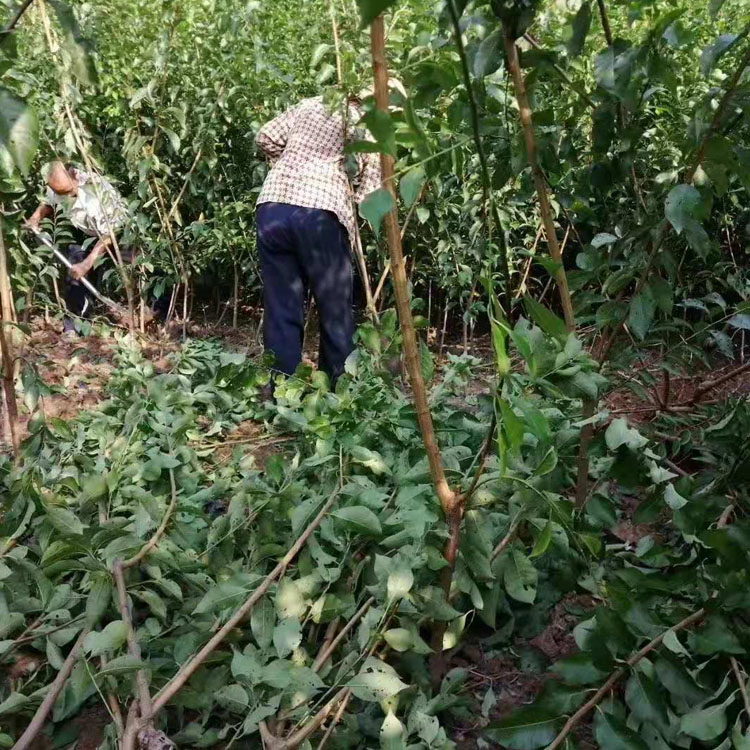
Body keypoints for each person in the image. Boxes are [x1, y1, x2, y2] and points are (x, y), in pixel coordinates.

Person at [255, 93, 382, 385]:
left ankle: (282, 391)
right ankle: (338, 389)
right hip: (320, 212)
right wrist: (355, 199)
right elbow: (371, 192)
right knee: (334, 306)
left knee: (282, 304)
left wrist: (288, 165)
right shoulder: (369, 122)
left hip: (273, 206)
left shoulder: (314, 102)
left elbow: (265, 136)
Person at [25, 161, 129, 333]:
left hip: (117, 234)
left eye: (68, 192)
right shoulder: (58, 185)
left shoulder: (98, 191)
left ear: (75, 176)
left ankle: (154, 316)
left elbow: (110, 233)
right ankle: (73, 327)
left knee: (135, 266)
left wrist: (88, 263)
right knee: (74, 271)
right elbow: (49, 202)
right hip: (87, 234)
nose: (65, 198)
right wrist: (36, 217)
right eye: (61, 193)